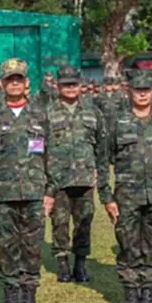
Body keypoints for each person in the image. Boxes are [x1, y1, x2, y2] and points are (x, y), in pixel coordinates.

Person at [96, 71, 152, 303]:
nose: (142, 93)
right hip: (126, 197)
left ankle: (148, 298)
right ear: (128, 91)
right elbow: (102, 162)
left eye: (147, 89)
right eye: (137, 89)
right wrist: (107, 197)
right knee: (128, 246)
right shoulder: (117, 122)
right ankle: (131, 298)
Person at [0, 59, 50, 303]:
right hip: (3, 194)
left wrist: (49, 192)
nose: (15, 83)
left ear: (27, 83)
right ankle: (10, 302)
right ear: (2, 83)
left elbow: (49, 156)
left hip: (34, 193)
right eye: (10, 79)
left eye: (19, 79)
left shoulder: (41, 115)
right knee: (6, 247)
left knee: (32, 248)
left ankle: (29, 302)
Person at [44, 66, 100, 284]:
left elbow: (101, 146)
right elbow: (38, 147)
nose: (70, 88)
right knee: (59, 223)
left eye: (74, 84)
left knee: (84, 222)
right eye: (66, 84)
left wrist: (99, 171)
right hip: (57, 180)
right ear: (58, 86)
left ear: (80, 86)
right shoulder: (47, 112)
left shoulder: (93, 111)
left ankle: (80, 264)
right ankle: (63, 264)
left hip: (85, 179)